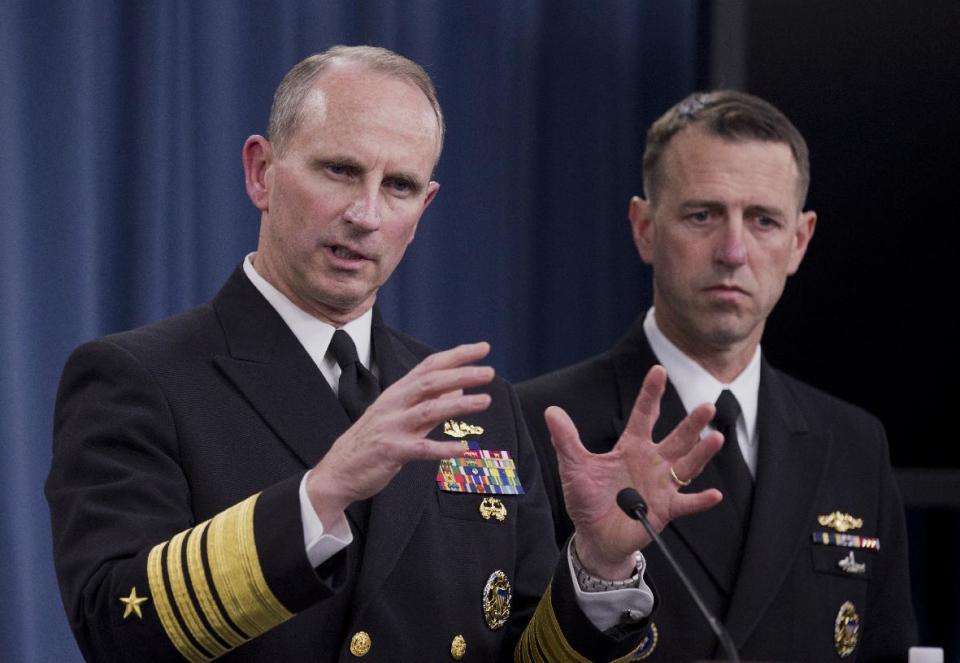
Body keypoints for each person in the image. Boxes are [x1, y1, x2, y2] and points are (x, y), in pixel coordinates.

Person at [46, 46, 723, 662]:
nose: (366, 215)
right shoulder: (138, 378)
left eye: (398, 186)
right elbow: (116, 625)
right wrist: (322, 492)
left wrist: (598, 568)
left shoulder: (479, 409)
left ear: (424, 206)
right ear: (262, 171)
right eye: (339, 170)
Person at [518, 90, 917, 662]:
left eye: (763, 220)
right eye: (702, 215)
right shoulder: (540, 424)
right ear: (644, 228)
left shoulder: (855, 446)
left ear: (798, 241)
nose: (733, 250)